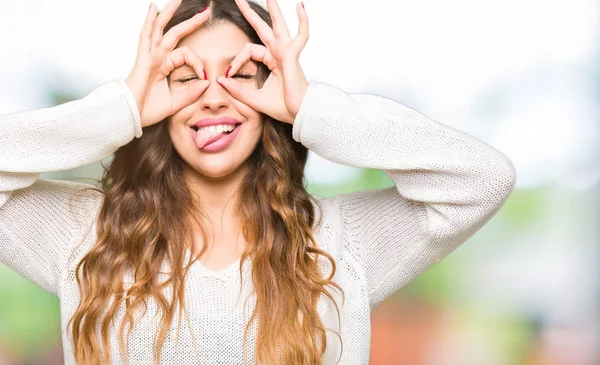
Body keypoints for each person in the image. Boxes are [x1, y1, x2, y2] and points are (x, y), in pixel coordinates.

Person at [0, 0, 516, 364]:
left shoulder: (340, 243)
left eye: (240, 74)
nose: (214, 96)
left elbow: (483, 178)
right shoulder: (87, 236)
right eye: (187, 77)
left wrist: (309, 106)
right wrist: (121, 108)